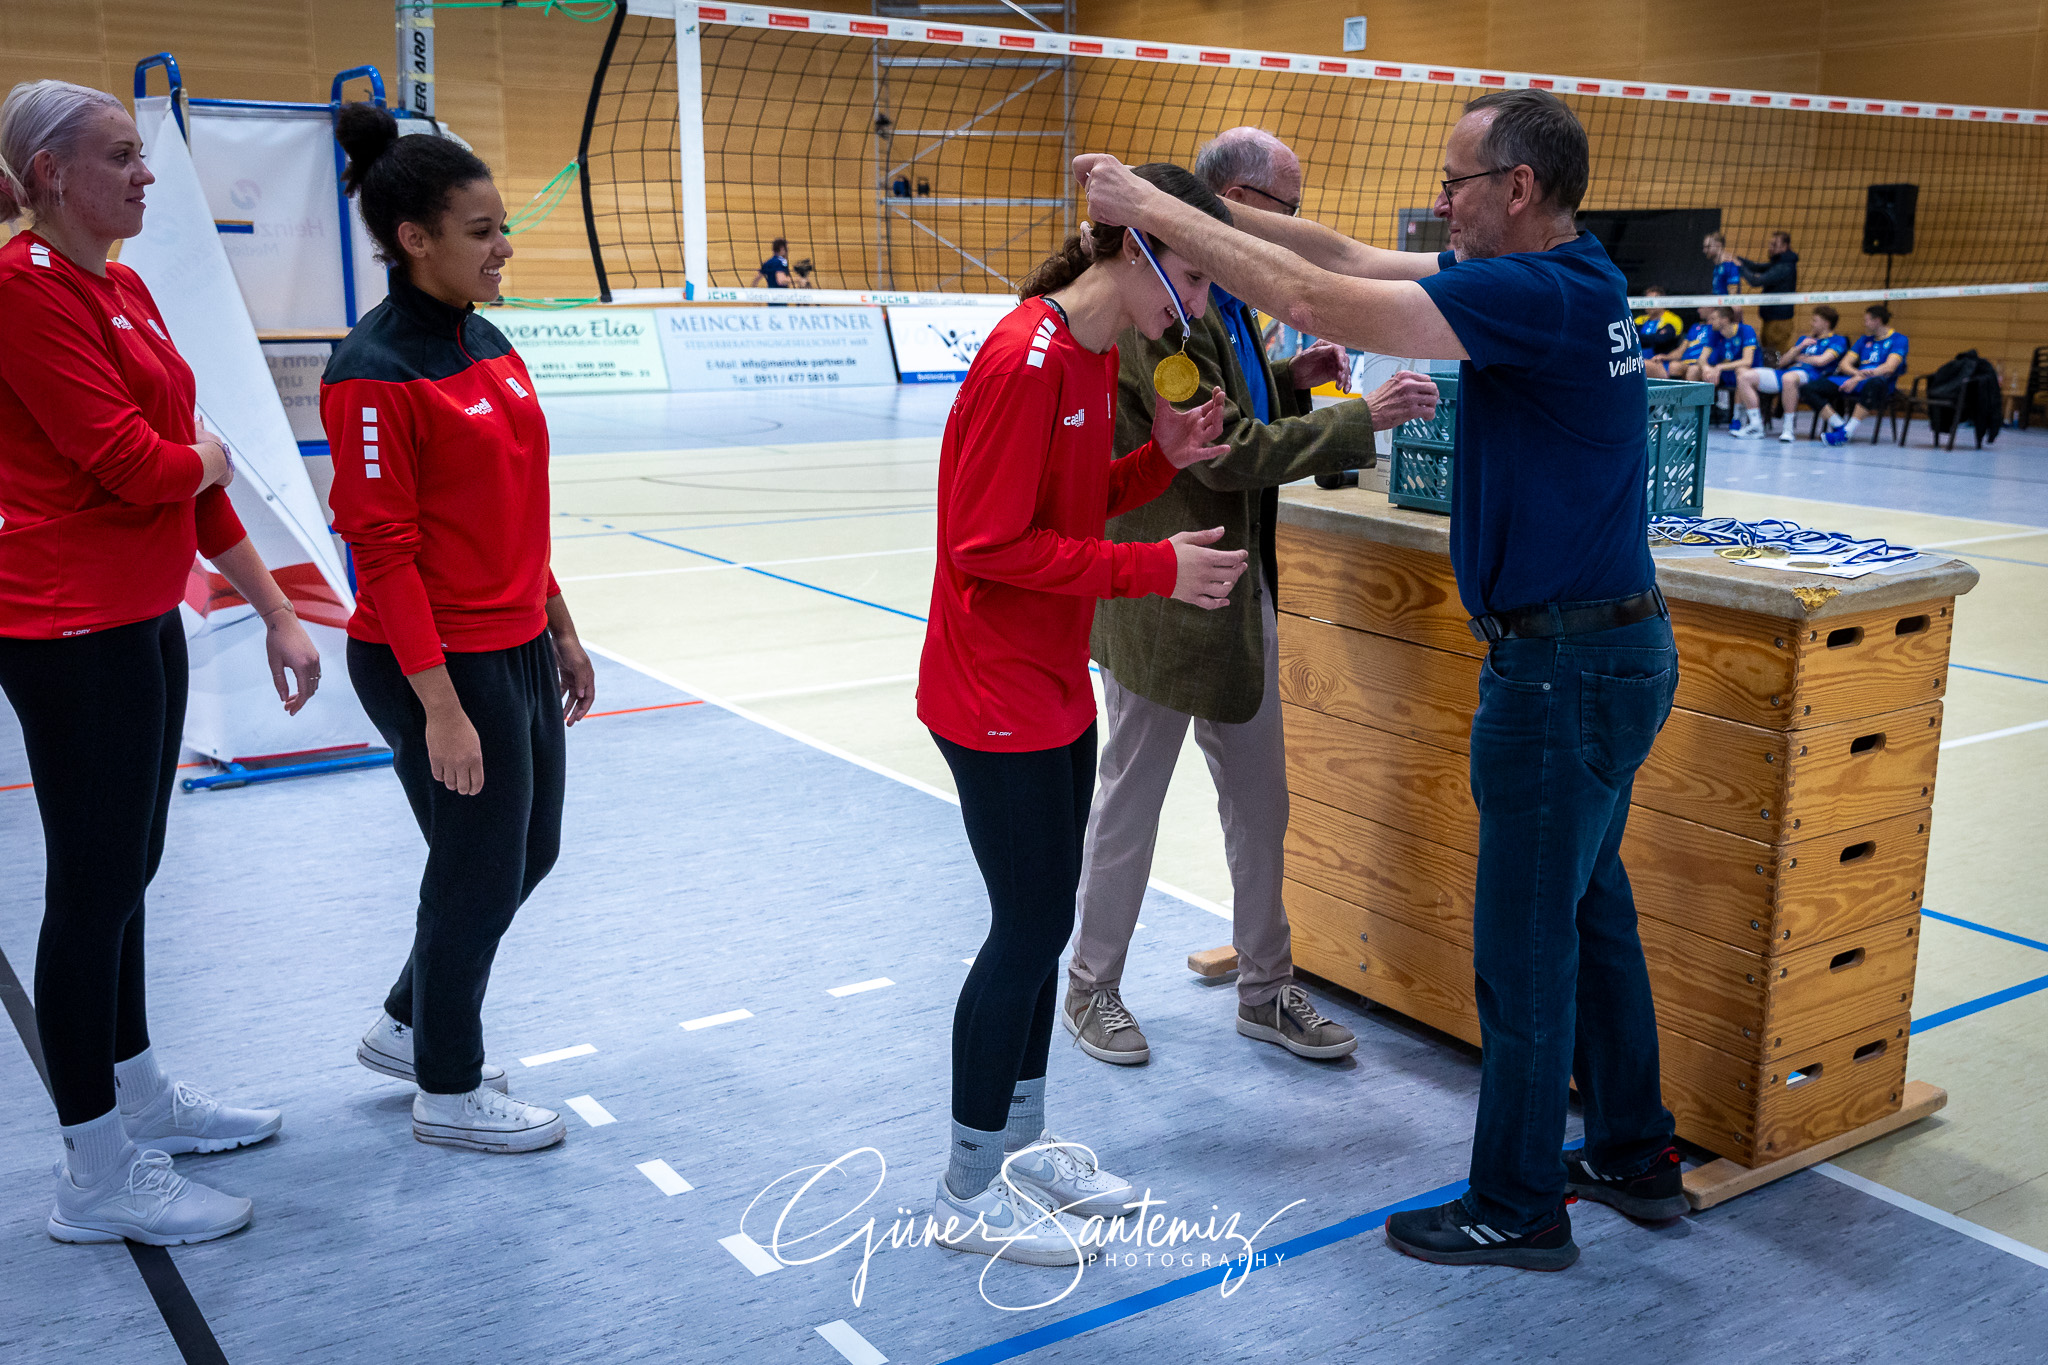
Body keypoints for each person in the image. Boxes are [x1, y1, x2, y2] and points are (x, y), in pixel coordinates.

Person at [1076, 84, 1689, 1272]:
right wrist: (1213, 212)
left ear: (1517, 190)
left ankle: (1515, 1206)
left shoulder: (1529, 292)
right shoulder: (1579, 275)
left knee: (1523, 947)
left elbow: (1314, 292)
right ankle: (1633, 1153)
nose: (1440, 202)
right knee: (1590, 916)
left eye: (1456, 183)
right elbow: (1342, 254)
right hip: (1602, 654)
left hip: (1563, 668)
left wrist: (1149, 208)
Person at [0, 79, 321, 1246]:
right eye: (121, 157)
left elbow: (187, 471)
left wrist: (277, 607)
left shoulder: (123, 286)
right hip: (66, 628)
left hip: (143, 616)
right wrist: (199, 455)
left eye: (142, 156)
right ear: (48, 176)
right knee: (89, 891)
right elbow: (137, 465)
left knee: (130, 870)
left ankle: (138, 1095)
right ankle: (92, 1173)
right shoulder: (23, 293)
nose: (145, 176)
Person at [918, 163, 1247, 1267]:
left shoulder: (1091, 353)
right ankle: (966, 1188)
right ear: (1128, 246)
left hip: (1051, 683)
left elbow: (1062, 505)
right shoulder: (1024, 358)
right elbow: (985, 544)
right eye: (1188, 275)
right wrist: (1152, 573)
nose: (1194, 305)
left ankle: (1019, 1141)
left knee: (1044, 924)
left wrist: (1161, 458)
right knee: (1022, 932)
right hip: (992, 692)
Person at [1066, 126, 1439, 1070]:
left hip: (1240, 592)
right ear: (1230, 204)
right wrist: (1361, 417)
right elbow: (1223, 449)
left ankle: (1267, 989)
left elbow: (1230, 411)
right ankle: (1090, 985)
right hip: (1165, 592)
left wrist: (1289, 379)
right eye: (1284, 210)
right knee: (1131, 799)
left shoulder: (1225, 302)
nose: (1294, 231)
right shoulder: (1167, 303)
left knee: (1260, 802)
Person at [325, 104, 597, 1156]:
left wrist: (561, 627)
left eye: (500, 227)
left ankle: (405, 1023)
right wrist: (439, 707)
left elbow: (518, 506)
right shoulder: (370, 370)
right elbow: (383, 554)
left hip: (515, 639)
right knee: (476, 869)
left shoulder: (489, 340)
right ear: (415, 241)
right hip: (431, 659)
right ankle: (447, 1083)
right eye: (481, 230)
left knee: (527, 853)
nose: (503, 246)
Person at [1731, 305, 1848, 442]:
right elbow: (1781, 362)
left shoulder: (1838, 340)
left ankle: (1788, 429)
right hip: (1787, 372)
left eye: (1815, 320)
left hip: (1813, 376)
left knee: (1789, 378)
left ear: (1826, 323)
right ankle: (1756, 425)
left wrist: (1799, 358)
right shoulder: (1804, 340)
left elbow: (1822, 361)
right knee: (1745, 376)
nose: (1811, 323)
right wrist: (1799, 348)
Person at [1810, 305, 1908, 445]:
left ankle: (1847, 432)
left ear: (1877, 321)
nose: (1864, 323)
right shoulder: (1864, 340)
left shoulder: (1899, 339)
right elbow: (1844, 364)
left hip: (1880, 382)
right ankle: (1840, 426)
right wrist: (1856, 375)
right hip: (1856, 379)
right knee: (1810, 388)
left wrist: (1858, 378)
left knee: (1875, 384)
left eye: (1867, 320)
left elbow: (1889, 368)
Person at [1737, 231, 1799, 354]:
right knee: (1769, 355)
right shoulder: (1779, 262)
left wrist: (1739, 266)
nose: (1770, 248)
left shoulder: (1785, 266)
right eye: (1770, 244)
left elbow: (1756, 281)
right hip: (1770, 320)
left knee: (1778, 357)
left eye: (1774, 244)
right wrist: (1738, 260)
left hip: (1779, 322)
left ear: (1784, 246)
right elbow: (1757, 267)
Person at [1697, 305, 1756, 416]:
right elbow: (1701, 359)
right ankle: (1696, 415)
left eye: (1713, 319)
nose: (1710, 322)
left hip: (1748, 372)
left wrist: (1719, 367)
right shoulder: (1714, 333)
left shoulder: (1746, 330)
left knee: (1742, 372)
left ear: (1724, 320)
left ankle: (1737, 417)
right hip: (1723, 373)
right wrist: (1706, 368)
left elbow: (1747, 361)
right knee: (1695, 370)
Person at [1647, 307, 1713, 381]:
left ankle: (1690, 392)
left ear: (1711, 308)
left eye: (1701, 307)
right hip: (1687, 362)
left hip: (1701, 363)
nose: (1698, 310)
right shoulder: (1695, 327)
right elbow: (1680, 351)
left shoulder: (1715, 329)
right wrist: (1666, 356)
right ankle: (1674, 391)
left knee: (1692, 370)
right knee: (1673, 366)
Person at [1632, 286, 1682, 357]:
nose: (1648, 304)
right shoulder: (1639, 320)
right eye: (1646, 301)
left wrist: (1638, 338)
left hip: (1660, 361)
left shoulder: (1673, 319)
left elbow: (1660, 339)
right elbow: (1630, 338)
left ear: (1662, 302)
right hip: (1638, 360)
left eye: (1651, 301)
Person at [1703, 231, 1742, 298]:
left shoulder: (1729, 264)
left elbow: (1734, 300)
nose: (1704, 250)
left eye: (1708, 247)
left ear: (1718, 245)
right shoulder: (1718, 266)